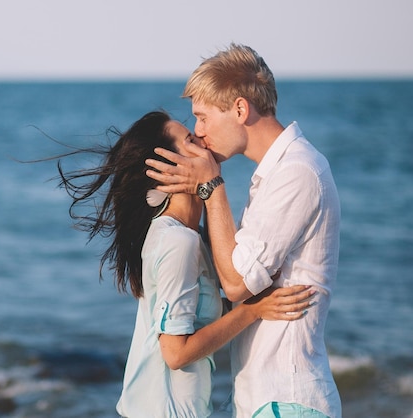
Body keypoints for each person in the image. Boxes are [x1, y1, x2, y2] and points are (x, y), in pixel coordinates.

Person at [55, 110, 315, 418]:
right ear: (169, 170)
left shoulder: (193, 237)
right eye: (190, 140)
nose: (202, 138)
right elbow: (175, 354)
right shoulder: (179, 242)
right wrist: (252, 311)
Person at [145, 44, 342, 418]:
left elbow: (236, 284)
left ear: (239, 109)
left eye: (202, 118)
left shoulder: (296, 173)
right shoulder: (274, 174)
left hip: (287, 400)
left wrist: (211, 186)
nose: (199, 133)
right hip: (269, 401)